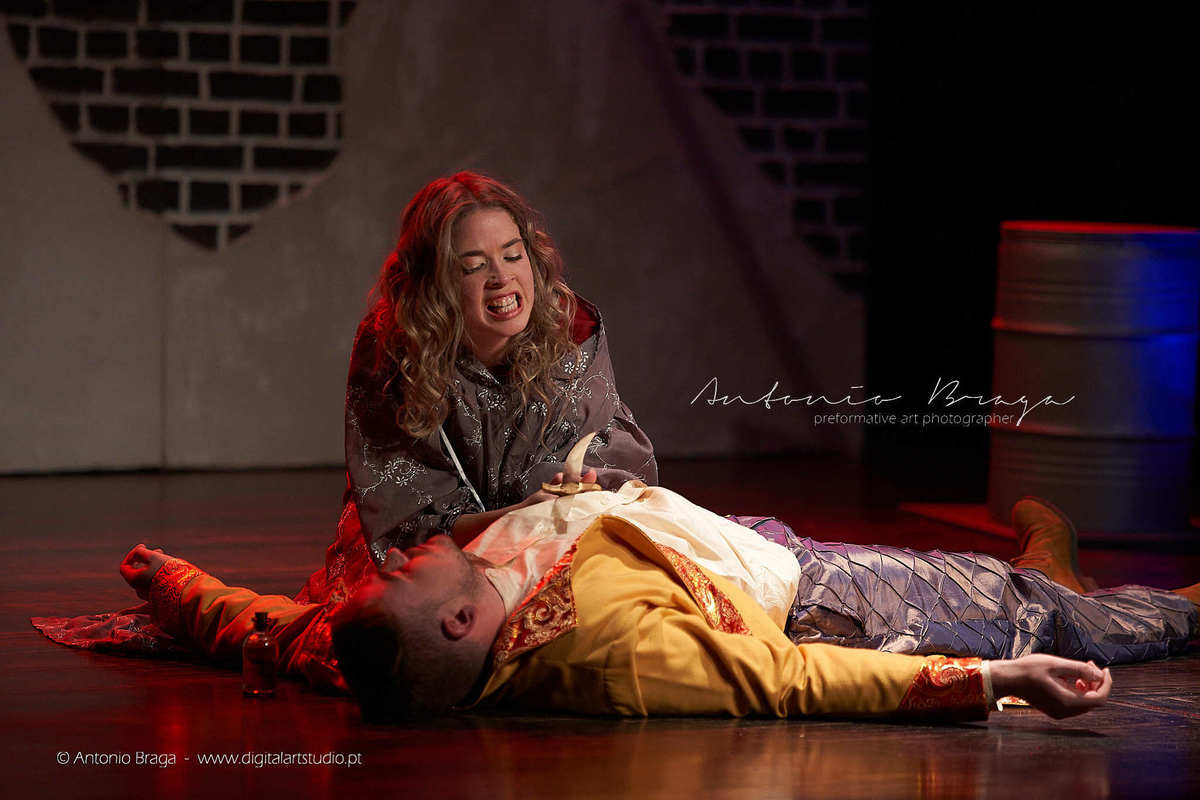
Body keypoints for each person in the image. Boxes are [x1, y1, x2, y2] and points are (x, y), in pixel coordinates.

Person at [114, 488, 1198, 722]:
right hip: (825, 602)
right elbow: (788, 678)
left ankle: (1047, 568)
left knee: (1025, 595)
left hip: (740, 540)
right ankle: (1123, 588)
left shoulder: (364, 638)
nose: (391, 559)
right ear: (455, 625)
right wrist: (990, 679)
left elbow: (263, 625)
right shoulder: (615, 652)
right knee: (1051, 616)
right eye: (397, 575)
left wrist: (174, 585)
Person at [296, 172, 657, 606]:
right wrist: (515, 518)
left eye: (513, 255)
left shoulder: (570, 332)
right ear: (434, 284)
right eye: (473, 266)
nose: (501, 277)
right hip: (431, 561)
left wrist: (567, 495)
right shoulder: (392, 349)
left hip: (546, 543)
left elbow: (601, 464)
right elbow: (404, 522)